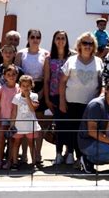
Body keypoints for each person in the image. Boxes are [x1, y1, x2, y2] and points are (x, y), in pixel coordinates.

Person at [59, 32, 104, 168]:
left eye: (90, 44)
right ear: (79, 45)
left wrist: (100, 98)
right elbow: (62, 82)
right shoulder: (71, 60)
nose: (87, 46)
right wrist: (61, 100)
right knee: (73, 129)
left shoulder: (99, 61)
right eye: (85, 43)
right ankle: (73, 155)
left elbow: (102, 83)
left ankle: (84, 158)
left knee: (86, 132)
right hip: (72, 102)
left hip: (90, 104)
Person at [14, 29, 49, 164]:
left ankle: (38, 155)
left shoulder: (45, 54)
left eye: (38, 37)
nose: (35, 39)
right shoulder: (21, 53)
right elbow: (17, 74)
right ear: (28, 38)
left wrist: (40, 93)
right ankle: (24, 155)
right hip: (24, 88)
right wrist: (23, 93)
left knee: (37, 125)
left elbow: (46, 76)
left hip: (39, 89)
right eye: (32, 37)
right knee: (23, 123)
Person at [43, 30, 72, 165]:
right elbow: (47, 79)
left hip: (70, 96)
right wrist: (48, 99)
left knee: (70, 125)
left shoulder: (72, 56)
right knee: (59, 126)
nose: (60, 41)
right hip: (55, 96)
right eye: (58, 38)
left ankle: (70, 153)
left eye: (63, 38)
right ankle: (59, 154)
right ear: (54, 40)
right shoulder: (49, 59)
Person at [10, 75, 41, 168]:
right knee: (16, 143)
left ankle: (34, 162)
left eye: (28, 85)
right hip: (19, 125)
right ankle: (15, 162)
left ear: (31, 86)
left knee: (31, 143)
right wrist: (12, 124)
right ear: (20, 86)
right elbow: (14, 112)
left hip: (30, 125)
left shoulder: (34, 96)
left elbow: (33, 109)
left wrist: (28, 97)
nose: (25, 88)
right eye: (23, 85)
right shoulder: (16, 97)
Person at [0, 65, 20, 169]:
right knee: (1, 139)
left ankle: (9, 161)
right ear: (4, 76)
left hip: (14, 118)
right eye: (8, 75)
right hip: (3, 117)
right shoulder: (1, 89)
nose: (11, 76)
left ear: (17, 75)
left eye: (13, 74)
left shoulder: (19, 88)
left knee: (12, 140)